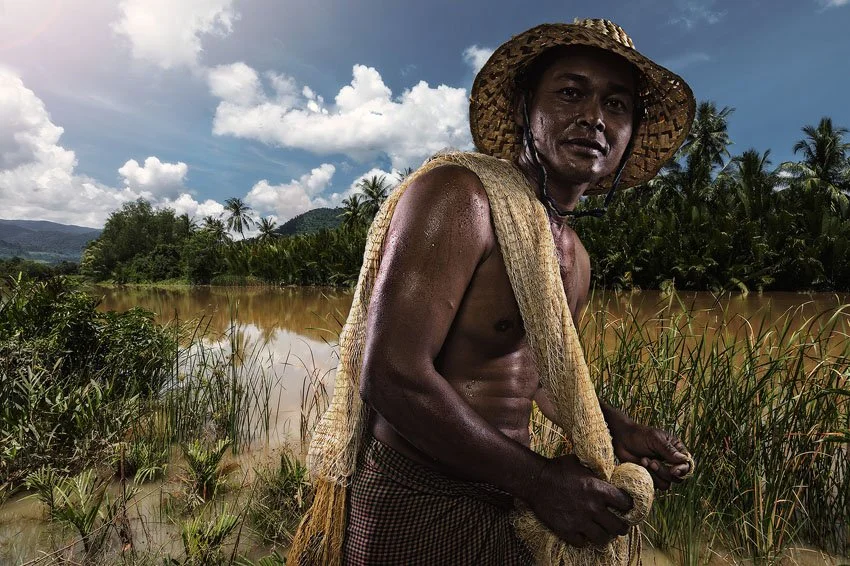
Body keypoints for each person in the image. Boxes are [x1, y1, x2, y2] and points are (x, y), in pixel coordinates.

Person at [288, 19, 697, 566]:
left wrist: (614, 427)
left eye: (617, 105)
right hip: (416, 500)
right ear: (528, 106)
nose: (594, 118)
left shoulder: (575, 259)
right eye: (571, 93)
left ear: (628, 135)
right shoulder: (460, 199)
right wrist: (542, 482)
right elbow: (390, 374)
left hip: (509, 500)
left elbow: (542, 379)